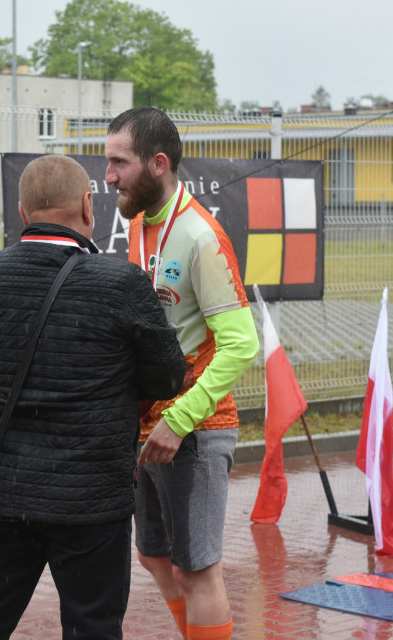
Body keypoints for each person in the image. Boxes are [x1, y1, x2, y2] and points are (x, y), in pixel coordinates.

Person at [0, 154, 186, 640]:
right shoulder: (122, 283)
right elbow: (168, 378)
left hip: (4, 490)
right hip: (91, 501)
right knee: (93, 625)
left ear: (22, 211)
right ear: (86, 205)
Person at [105, 106, 260, 640]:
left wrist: (180, 420)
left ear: (158, 164)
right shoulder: (138, 225)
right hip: (149, 427)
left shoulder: (200, 236)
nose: (108, 177)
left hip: (195, 427)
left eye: (119, 163)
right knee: (153, 556)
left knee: (197, 570)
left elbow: (242, 345)